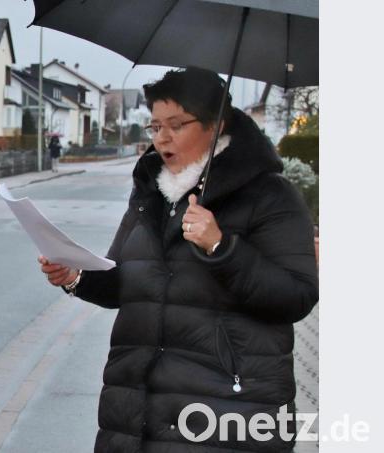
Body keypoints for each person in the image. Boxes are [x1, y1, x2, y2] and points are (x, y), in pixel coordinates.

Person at [38, 67, 318, 452]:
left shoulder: (271, 196)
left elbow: (296, 296)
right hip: (136, 411)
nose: (162, 138)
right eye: (155, 126)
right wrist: (76, 276)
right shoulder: (152, 195)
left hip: (224, 411)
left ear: (216, 125)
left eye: (176, 124)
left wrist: (222, 249)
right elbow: (128, 281)